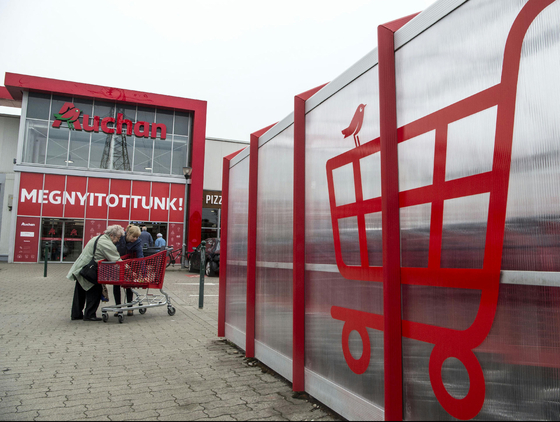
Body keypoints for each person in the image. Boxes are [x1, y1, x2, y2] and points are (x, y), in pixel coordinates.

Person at [67, 225, 124, 321]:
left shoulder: (97, 238)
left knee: (80, 291)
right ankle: (90, 314)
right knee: (95, 290)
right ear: (111, 235)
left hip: (81, 268)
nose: (118, 240)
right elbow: (117, 260)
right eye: (118, 237)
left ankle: (76, 314)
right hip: (91, 270)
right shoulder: (106, 243)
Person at [114, 224, 144, 317]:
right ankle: (118, 307)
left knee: (128, 285)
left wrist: (143, 273)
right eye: (133, 236)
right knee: (116, 285)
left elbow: (140, 257)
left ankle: (129, 307)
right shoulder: (120, 238)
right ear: (127, 234)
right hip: (118, 264)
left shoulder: (137, 242)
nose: (135, 239)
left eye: (137, 237)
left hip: (130, 265)